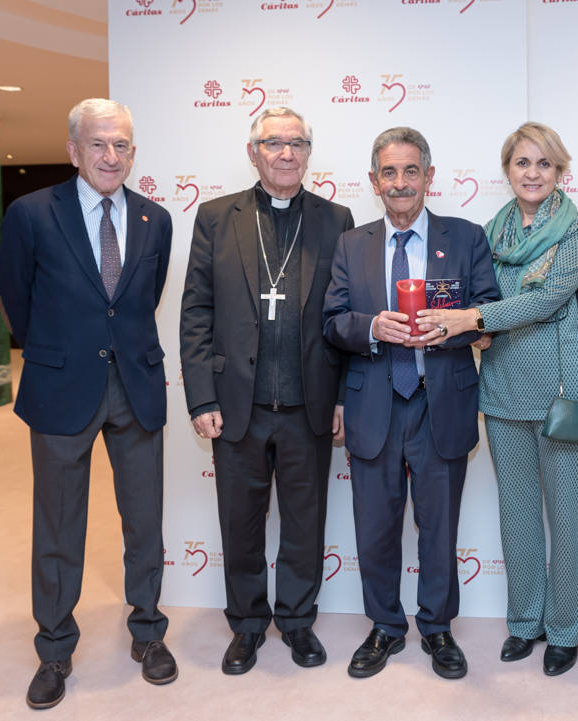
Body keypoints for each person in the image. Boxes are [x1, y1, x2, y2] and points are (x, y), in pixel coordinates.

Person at [0, 98, 176, 709]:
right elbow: (17, 298)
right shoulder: (30, 213)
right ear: (74, 150)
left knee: (144, 520)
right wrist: (59, 350)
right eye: (99, 144)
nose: (111, 156)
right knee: (58, 526)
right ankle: (53, 648)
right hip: (58, 387)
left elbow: (139, 299)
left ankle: (148, 634)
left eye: (122, 144)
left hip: (137, 386)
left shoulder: (156, 219)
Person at [415, 122, 578, 676]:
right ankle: (526, 622)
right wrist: (475, 324)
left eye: (544, 164)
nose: (533, 173)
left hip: (562, 390)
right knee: (517, 515)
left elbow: (544, 301)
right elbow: (476, 298)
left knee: (565, 519)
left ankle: (565, 627)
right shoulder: (486, 234)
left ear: (560, 171)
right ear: (508, 170)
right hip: (500, 389)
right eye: (523, 163)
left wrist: (475, 318)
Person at [179, 107, 353, 675]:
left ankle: (298, 622)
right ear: (253, 152)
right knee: (241, 521)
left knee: (305, 522)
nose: (286, 153)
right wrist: (201, 397)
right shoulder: (214, 216)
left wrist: (344, 399)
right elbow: (197, 312)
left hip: (310, 403)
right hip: (237, 405)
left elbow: (346, 316)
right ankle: (249, 625)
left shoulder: (336, 218)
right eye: (273, 143)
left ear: (309, 152)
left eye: (297, 143)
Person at [322, 126, 500, 680]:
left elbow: (489, 315)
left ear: (428, 176)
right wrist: (373, 326)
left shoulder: (466, 237)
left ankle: (438, 627)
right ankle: (384, 627)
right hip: (374, 402)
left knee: (439, 526)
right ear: (374, 180)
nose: (400, 184)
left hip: (439, 400)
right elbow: (332, 322)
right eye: (389, 173)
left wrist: (454, 326)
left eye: (410, 171)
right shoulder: (352, 243)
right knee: (374, 524)